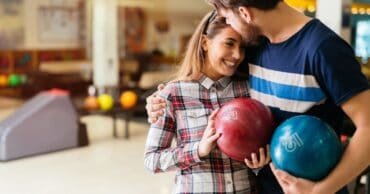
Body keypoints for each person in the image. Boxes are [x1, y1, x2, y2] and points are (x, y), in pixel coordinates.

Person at [146, 0, 370, 194]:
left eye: (227, 17)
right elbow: (209, 79)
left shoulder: (324, 49)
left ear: (245, 13)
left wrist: (320, 191)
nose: (228, 25)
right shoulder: (253, 46)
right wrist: (160, 100)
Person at [144, 11, 270, 194]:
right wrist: (198, 150)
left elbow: (265, 143)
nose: (237, 55)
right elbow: (152, 160)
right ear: (205, 43)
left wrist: (261, 162)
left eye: (242, 47)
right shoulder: (173, 93)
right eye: (229, 43)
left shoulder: (250, 90)